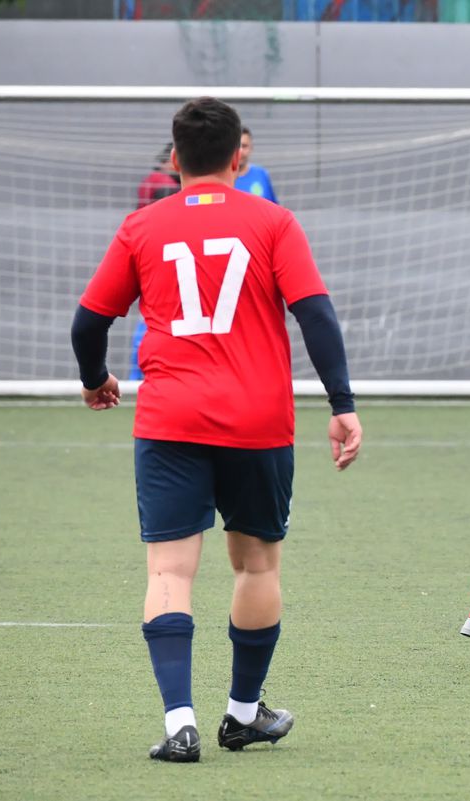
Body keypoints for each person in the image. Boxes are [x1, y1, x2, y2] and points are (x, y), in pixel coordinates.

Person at [70, 97, 362, 762]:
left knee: (170, 569)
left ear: (175, 160)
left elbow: (88, 323)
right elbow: (316, 315)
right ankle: (240, 714)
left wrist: (96, 379)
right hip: (259, 421)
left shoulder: (142, 226)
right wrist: (341, 402)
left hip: (170, 421)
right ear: (238, 157)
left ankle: (180, 723)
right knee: (256, 563)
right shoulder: (273, 221)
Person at [131, 143, 182, 379]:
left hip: (147, 255)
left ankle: (136, 378)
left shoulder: (150, 181)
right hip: (167, 258)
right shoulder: (166, 186)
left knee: (150, 315)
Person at [234, 126, 278, 203]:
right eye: (236, 146)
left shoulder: (261, 174)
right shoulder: (222, 179)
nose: (240, 151)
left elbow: (273, 206)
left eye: (244, 146)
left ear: (251, 148)